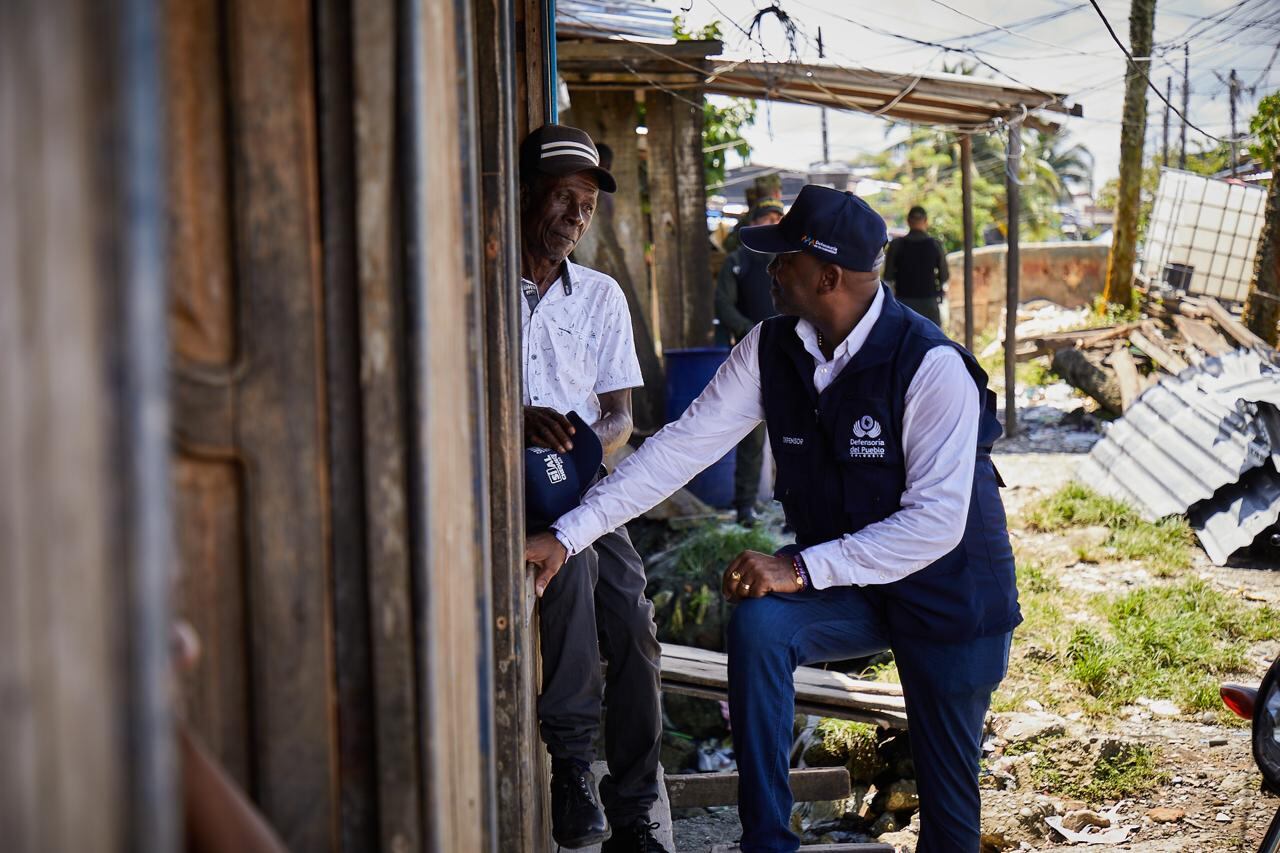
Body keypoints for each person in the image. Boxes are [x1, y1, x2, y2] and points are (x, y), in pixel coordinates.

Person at [526, 185, 1020, 853]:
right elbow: (678, 448)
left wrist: (797, 565)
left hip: (950, 597)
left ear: (828, 276)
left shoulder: (931, 367)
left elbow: (934, 525)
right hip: (858, 589)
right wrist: (567, 535)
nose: (770, 271)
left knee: (951, 822)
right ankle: (766, 841)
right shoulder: (771, 347)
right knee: (761, 620)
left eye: (783, 259)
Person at [518, 124, 668, 853]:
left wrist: (583, 443)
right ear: (526, 195)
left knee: (634, 621)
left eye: (587, 204)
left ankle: (636, 804)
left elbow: (621, 419)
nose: (578, 215)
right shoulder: (482, 289)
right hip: (512, 487)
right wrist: (515, 422)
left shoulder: (602, 296)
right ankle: (572, 765)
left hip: (587, 486)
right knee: (570, 572)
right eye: (564, 197)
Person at [715, 199, 785, 526]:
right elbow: (723, 306)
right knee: (751, 436)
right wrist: (752, 331)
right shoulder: (737, 261)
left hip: (790, 353)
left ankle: (795, 511)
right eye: (769, 219)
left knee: (793, 433)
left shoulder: (790, 260)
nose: (774, 223)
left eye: (778, 219)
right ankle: (745, 506)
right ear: (754, 222)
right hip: (751, 356)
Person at [884, 205, 950, 327]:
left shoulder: (896, 245)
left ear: (908, 221)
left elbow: (888, 276)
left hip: (903, 302)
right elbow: (944, 276)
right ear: (926, 221)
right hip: (929, 302)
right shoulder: (935, 245)